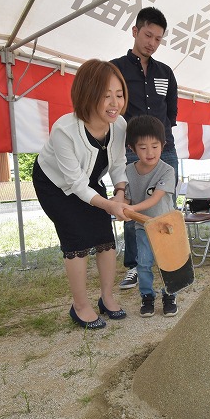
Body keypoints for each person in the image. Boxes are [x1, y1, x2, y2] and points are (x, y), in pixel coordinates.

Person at [32, 59, 130, 329]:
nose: (115, 103)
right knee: (75, 238)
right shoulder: (65, 129)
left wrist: (119, 194)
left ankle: (107, 297)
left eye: (119, 95)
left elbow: (119, 163)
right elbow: (74, 183)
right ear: (88, 94)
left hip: (88, 180)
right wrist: (108, 205)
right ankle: (80, 305)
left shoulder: (119, 125)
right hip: (54, 184)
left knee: (104, 236)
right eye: (106, 95)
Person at [111, 7, 178, 291]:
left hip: (166, 149)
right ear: (135, 31)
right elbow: (111, 108)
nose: (152, 42)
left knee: (166, 207)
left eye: (158, 39)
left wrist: (161, 143)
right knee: (131, 209)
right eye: (148, 35)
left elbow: (171, 113)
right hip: (131, 150)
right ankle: (136, 267)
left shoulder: (166, 72)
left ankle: (171, 260)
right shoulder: (115, 69)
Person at [123, 115, 178, 317]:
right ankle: (147, 296)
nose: (150, 152)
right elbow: (125, 199)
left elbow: (155, 199)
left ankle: (169, 294)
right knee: (143, 263)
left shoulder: (167, 170)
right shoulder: (127, 171)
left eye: (155, 146)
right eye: (143, 147)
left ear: (163, 145)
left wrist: (131, 210)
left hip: (165, 226)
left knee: (167, 263)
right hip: (142, 227)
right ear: (132, 148)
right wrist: (118, 206)